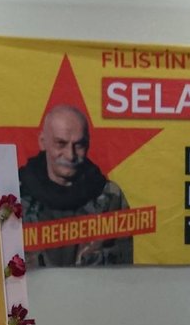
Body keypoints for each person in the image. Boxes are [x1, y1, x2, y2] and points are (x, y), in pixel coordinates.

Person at [18, 104, 132, 267]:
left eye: (79, 145)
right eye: (60, 143)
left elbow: (122, 272)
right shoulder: (13, 196)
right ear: (43, 142)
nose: (70, 155)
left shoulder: (110, 198)